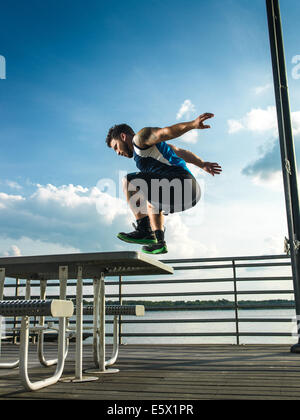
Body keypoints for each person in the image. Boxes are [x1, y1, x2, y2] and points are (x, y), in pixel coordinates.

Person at [105, 113, 222, 254]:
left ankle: (144, 230)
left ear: (123, 137)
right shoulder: (156, 150)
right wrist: (202, 164)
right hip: (191, 192)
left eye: (116, 147)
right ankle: (159, 242)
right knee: (150, 201)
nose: (117, 153)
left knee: (129, 181)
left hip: (181, 183)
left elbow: (165, 132)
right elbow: (179, 151)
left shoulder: (140, 138)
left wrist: (192, 124)